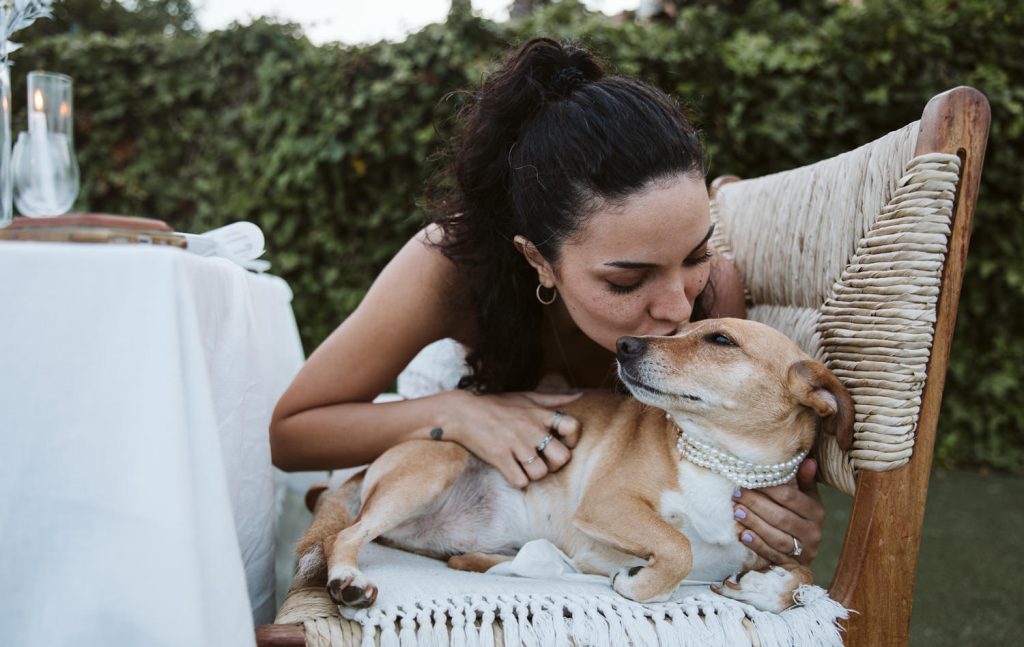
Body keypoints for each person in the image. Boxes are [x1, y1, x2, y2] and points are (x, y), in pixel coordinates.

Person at [270, 38, 824, 567]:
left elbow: (726, 459)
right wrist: (456, 412)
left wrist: (780, 516)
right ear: (539, 260)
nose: (679, 309)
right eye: (627, 280)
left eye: (696, 252)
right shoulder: (449, 269)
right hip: (452, 465)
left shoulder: (712, 301)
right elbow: (292, 433)